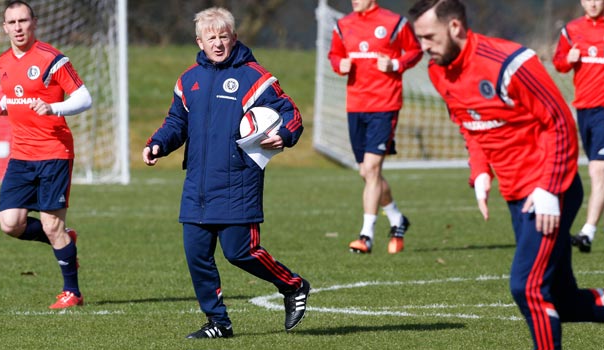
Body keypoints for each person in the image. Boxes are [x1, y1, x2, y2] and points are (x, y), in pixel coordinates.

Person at [408, 0, 604, 348]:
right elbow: (469, 125)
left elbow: (559, 122)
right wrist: (481, 171)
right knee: (564, 301)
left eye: (428, 37)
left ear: (455, 27)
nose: (423, 47)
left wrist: (548, 189)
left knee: (526, 287)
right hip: (516, 194)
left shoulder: (510, 63)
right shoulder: (439, 71)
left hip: (549, 188)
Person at [142, 6, 309, 339]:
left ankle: (293, 286)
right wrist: (158, 143)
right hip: (198, 185)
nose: (217, 43)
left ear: (234, 37)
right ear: (199, 41)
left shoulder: (254, 77)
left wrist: (285, 134)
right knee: (196, 255)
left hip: (238, 180)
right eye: (210, 37)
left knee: (240, 252)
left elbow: (291, 113)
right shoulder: (188, 80)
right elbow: (177, 122)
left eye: (223, 36)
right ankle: (218, 322)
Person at [0, 1, 91, 309]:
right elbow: (18, 94)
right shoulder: (2, 60)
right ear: (4, 27)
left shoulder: (52, 59)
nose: (17, 27)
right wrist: (2, 107)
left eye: (23, 21)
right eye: (12, 22)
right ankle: (64, 241)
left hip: (53, 152)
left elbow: (84, 97)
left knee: (51, 225)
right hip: (21, 155)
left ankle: (72, 292)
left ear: (34, 23)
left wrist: (54, 107)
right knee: (9, 223)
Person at [328, 0, 422, 254]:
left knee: (371, 168)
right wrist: (340, 65)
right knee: (367, 173)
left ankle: (366, 236)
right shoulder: (343, 25)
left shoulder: (394, 23)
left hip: (385, 104)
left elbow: (415, 51)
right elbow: (334, 55)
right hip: (355, 106)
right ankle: (396, 218)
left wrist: (394, 64)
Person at [552, 0, 604, 254]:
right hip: (583, 110)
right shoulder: (571, 30)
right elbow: (558, 62)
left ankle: (587, 232)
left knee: (598, 170)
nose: (593, 3)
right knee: (591, 169)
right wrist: (567, 59)